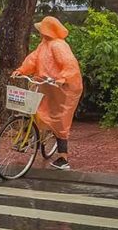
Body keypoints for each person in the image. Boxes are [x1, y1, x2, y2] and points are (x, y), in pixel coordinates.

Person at [13, 16, 83, 171]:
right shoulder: (44, 45)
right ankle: (32, 138)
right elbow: (33, 59)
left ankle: (63, 158)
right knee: (38, 111)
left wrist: (63, 78)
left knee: (60, 121)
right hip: (47, 85)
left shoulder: (59, 46)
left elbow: (69, 64)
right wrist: (22, 70)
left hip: (63, 89)